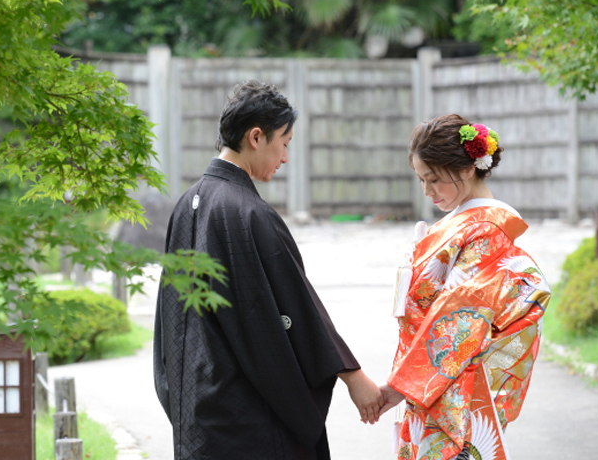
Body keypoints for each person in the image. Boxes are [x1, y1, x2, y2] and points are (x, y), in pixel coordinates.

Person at [154, 80, 383, 460]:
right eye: (285, 142)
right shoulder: (248, 213)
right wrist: (354, 377)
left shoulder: (187, 204)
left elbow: (172, 320)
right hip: (246, 416)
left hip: (197, 408)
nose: (285, 157)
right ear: (256, 137)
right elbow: (296, 305)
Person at [379, 114, 551, 460]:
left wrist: (405, 383)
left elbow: (459, 317)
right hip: (437, 378)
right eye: (421, 179)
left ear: (468, 169)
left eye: (434, 179)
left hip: (457, 381)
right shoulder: (466, 223)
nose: (427, 190)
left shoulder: (487, 229)